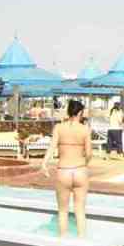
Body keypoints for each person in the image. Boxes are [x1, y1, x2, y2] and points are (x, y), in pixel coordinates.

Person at [43, 99, 92, 238]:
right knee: (80, 211)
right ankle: (82, 241)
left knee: (63, 211)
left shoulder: (59, 128)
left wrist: (44, 163)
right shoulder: (85, 129)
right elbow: (89, 153)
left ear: (68, 111)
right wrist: (84, 163)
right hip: (80, 170)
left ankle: (62, 241)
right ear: (80, 112)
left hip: (64, 170)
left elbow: (52, 147)